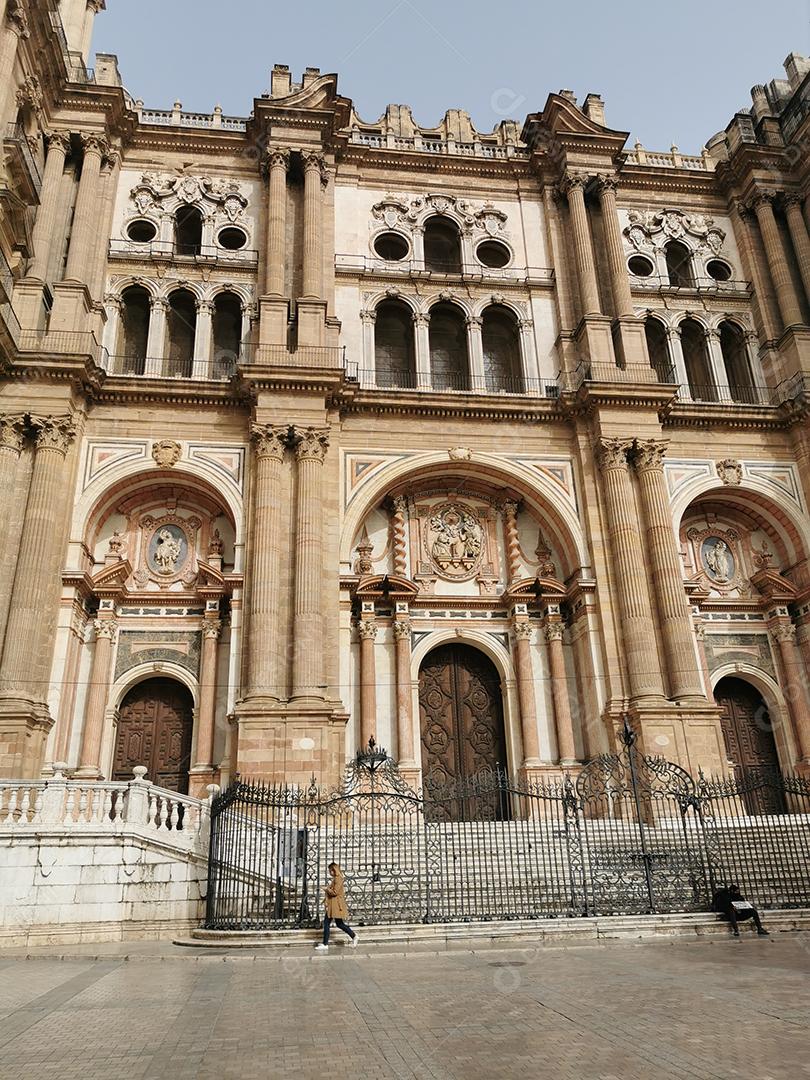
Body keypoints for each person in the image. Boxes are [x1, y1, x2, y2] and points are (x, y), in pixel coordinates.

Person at [314, 862, 358, 951]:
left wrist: (326, 889)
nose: (330, 873)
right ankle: (354, 936)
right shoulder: (337, 878)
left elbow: (335, 892)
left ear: (334, 870)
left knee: (327, 923)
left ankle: (325, 944)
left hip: (335, 905)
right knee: (339, 924)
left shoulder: (338, 879)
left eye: (330, 871)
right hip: (334, 904)